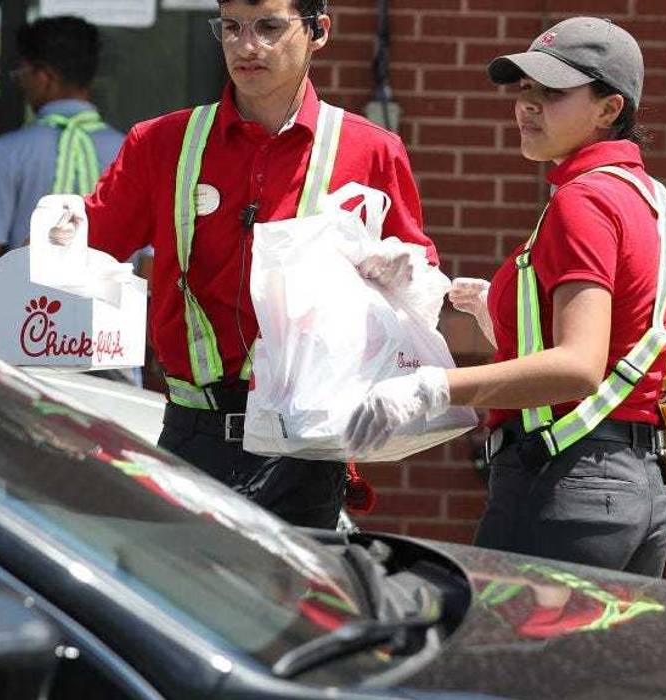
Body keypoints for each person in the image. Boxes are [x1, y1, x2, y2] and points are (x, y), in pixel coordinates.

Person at [52, 0, 437, 529]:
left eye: (269, 28)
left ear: (318, 31)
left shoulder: (370, 150)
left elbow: (420, 296)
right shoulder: (161, 142)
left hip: (305, 441)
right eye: (231, 28)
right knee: (180, 604)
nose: (246, 46)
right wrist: (54, 232)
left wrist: (402, 274)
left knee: (290, 610)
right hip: (193, 428)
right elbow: (86, 250)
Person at [344, 17, 666, 576]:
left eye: (554, 92)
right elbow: (615, 347)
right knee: (590, 665)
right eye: (524, 90)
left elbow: (578, 365)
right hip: (636, 487)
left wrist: (431, 388)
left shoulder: (582, 202)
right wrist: (500, 314)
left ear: (610, 109)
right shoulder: (647, 198)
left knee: (508, 659)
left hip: (566, 482)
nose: (527, 107)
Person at [0, 16, 129, 277]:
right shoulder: (132, 152)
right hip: (115, 314)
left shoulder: (3, 153)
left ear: (43, 76)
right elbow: (150, 265)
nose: (21, 83)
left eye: (21, 73)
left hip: (27, 315)